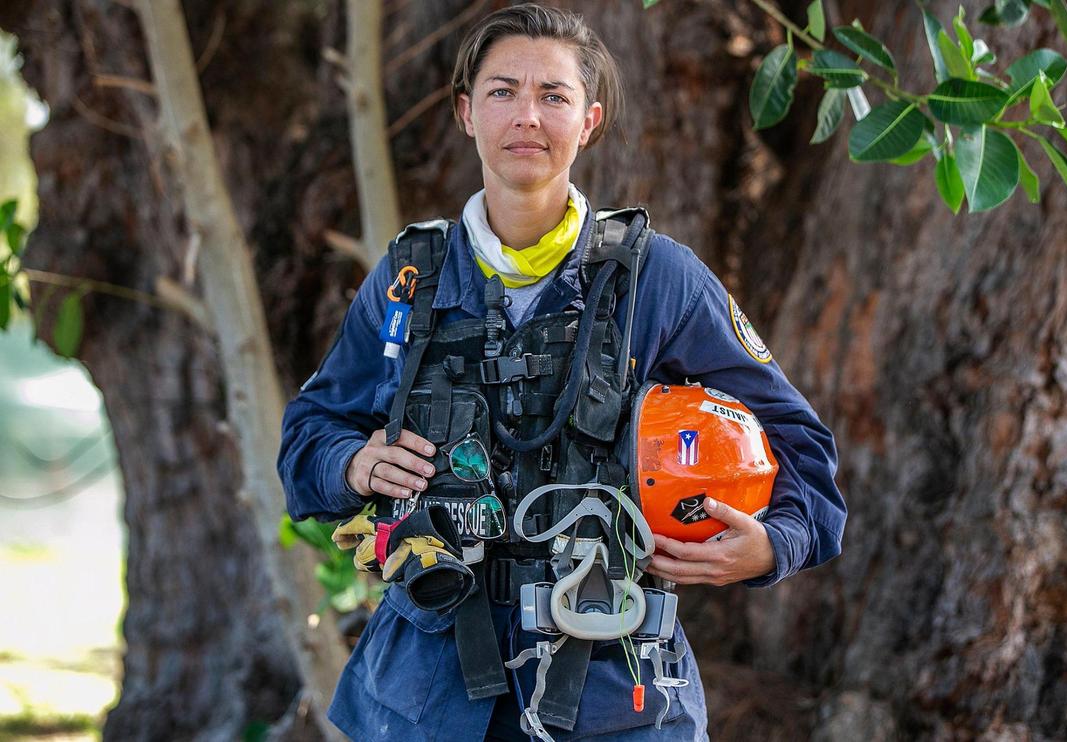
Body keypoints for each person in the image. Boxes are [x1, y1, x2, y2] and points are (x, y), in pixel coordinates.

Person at [277, 5, 845, 740]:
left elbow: (801, 444)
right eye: (503, 91)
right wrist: (353, 464)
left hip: (614, 691)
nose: (527, 117)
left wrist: (775, 545)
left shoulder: (656, 278)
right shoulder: (409, 278)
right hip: (426, 697)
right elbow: (306, 438)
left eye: (554, 96)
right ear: (466, 112)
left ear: (590, 121)